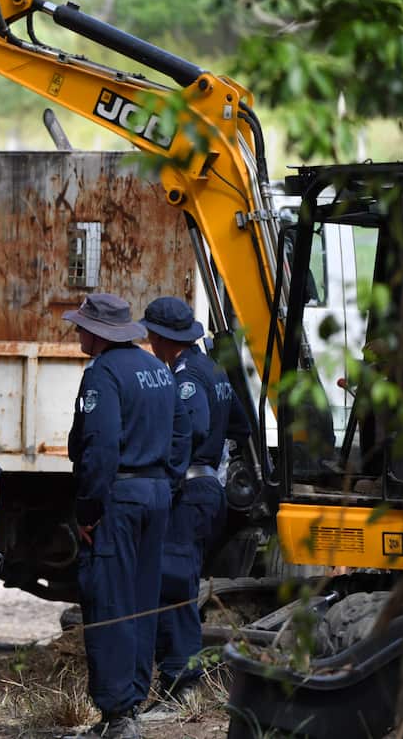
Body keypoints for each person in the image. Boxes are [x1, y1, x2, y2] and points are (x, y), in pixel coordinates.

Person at [63, 294, 189, 739]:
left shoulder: (103, 373)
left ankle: (118, 715)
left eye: (80, 327)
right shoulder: (158, 369)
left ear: (97, 333)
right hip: (155, 494)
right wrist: (166, 485)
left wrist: (88, 509)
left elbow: (99, 447)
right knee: (141, 601)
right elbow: (181, 434)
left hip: (120, 496)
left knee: (110, 602)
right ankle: (132, 701)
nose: (76, 333)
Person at [138, 297, 251, 718]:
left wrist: (169, 472)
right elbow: (242, 424)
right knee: (180, 585)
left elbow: (193, 425)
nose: (149, 343)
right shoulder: (215, 371)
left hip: (188, 492)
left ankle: (180, 686)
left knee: (173, 588)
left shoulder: (185, 378)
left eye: (152, 336)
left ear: (168, 340)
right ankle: (178, 681)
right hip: (209, 492)